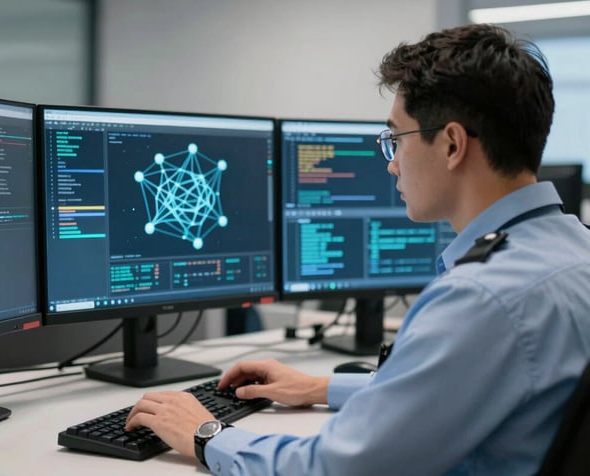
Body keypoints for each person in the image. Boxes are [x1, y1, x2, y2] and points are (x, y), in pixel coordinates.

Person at [125, 23, 590, 475]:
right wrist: (320, 386)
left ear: (452, 145)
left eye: (396, 140)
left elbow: (335, 467)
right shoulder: (575, 250)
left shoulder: (480, 298)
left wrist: (206, 434)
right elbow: (463, 384)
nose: (392, 165)